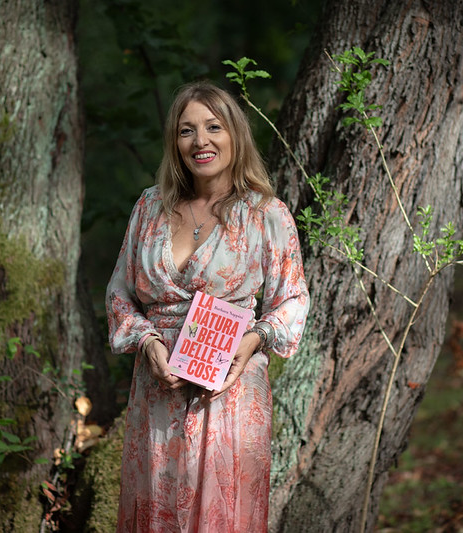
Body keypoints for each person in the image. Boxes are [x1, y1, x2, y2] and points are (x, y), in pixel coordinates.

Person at [105, 80, 310, 532]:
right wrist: (146, 341)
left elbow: (293, 299)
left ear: (235, 134)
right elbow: (119, 292)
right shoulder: (149, 207)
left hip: (229, 393)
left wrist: (253, 340)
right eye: (187, 130)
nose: (201, 141)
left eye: (214, 126)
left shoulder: (266, 214)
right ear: (174, 143)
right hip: (158, 391)